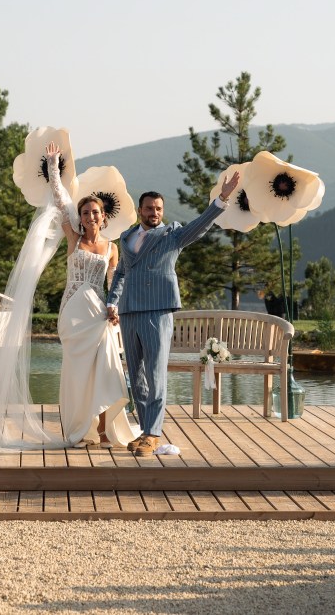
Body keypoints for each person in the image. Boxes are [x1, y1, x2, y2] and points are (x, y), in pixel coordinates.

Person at [105, 171, 239, 457]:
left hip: (157, 311)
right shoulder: (127, 236)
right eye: (149, 208)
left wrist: (223, 198)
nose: (154, 213)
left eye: (159, 209)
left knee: (155, 376)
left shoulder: (171, 235)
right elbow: (120, 272)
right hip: (129, 311)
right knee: (136, 377)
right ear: (140, 210)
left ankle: (153, 433)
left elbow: (201, 225)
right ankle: (145, 431)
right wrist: (112, 302)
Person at [44, 141, 137, 448]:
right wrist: (54, 166)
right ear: (80, 217)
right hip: (73, 311)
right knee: (78, 374)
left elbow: (116, 284)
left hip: (98, 313)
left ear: (103, 216)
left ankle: (101, 430)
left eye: (95, 212)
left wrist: (115, 308)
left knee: (105, 368)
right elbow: (60, 199)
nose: (90, 216)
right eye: (85, 212)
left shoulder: (112, 249)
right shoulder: (74, 237)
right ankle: (81, 431)